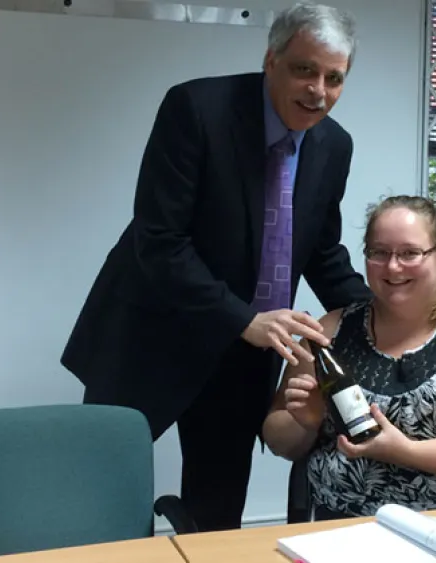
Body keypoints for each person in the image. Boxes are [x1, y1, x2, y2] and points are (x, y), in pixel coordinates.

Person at [59, 3, 372, 532]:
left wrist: (393, 311)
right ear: (271, 59)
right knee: (99, 493)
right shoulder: (196, 109)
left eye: (334, 78)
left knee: (217, 512)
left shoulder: (334, 144)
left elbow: (321, 251)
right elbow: (161, 243)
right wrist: (243, 318)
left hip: (245, 355)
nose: (318, 90)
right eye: (305, 69)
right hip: (150, 332)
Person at [261, 195, 436, 520]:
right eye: (379, 253)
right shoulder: (330, 331)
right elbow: (278, 438)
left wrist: (407, 452)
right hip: (345, 533)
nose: (393, 266)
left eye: (409, 253)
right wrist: (306, 425)